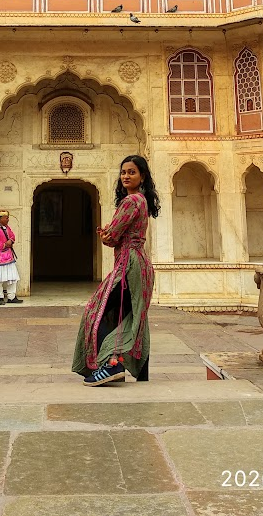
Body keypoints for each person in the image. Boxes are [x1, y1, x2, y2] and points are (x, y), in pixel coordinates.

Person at [72, 155, 159, 386]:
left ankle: (112, 366)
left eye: (132, 172)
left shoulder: (131, 202)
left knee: (95, 312)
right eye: (123, 172)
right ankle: (141, 373)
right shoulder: (142, 201)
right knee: (134, 317)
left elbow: (112, 236)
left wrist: (106, 235)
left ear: (142, 176)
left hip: (128, 265)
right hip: (139, 264)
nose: (126, 176)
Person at [0, 210, 23, 305]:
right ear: (1, 218)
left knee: (12, 277)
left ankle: (11, 296)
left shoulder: (7, 228)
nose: (8, 219)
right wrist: (5, 244)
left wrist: (11, 241)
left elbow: (12, 236)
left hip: (9, 257)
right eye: (6, 218)